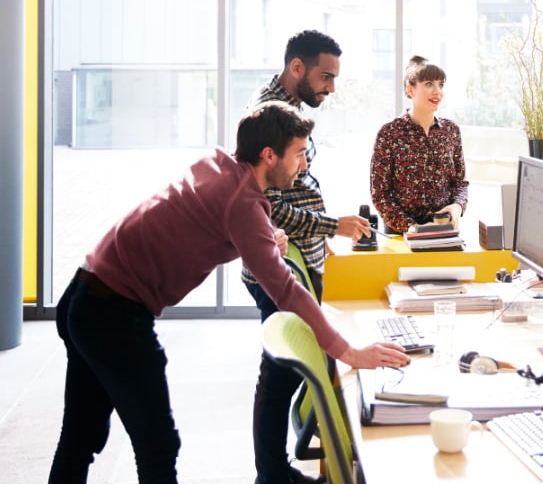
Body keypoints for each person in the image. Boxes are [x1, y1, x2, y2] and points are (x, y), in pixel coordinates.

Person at [48, 101, 409, 484]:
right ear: (269, 155)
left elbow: (208, 218)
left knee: (80, 436)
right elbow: (285, 290)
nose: (303, 165)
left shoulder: (221, 165)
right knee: (157, 445)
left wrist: (262, 237)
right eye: (299, 154)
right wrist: (348, 351)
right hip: (113, 312)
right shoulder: (243, 203)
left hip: (84, 292)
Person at [242, 30, 374, 484]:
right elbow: (268, 203)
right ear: (296, 67)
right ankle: (272, 475)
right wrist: (328, 224)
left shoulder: (290, 108)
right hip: (275, 261)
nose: (331, 88)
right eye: (325, 76)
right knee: (278, 374)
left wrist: (324, 232)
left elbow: (295, 188)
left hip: (300, 254)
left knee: (285, 369)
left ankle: (276, 469)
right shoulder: (268, 114)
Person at [370, 55, 469, 233]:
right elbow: (380, 194)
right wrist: (413, 228)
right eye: (429, 84)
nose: (437, 91)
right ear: (410, 89)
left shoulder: (451, 131)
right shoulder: (389, 133)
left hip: (444, 229)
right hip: (401, 234)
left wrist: (458, 206)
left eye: (440, 84)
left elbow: (460, 183)